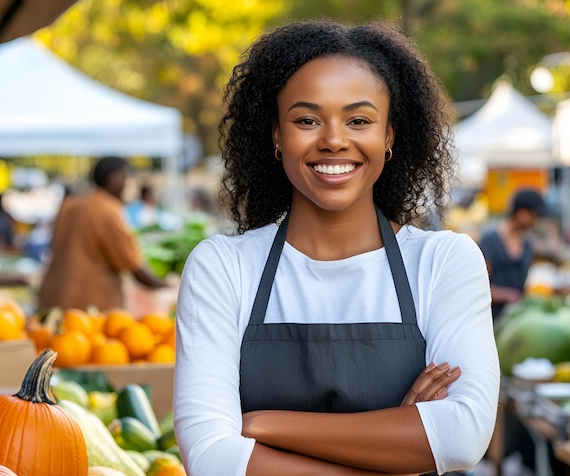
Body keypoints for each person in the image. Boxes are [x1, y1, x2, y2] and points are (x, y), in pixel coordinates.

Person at [172, 20, 499, 475]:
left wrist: (263, 425)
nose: (333, 139)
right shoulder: (222, 268)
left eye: (359, 120)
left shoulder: (443, 262)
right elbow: (211, 460)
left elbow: (463, 436)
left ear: (388, 137)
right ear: (275, 136)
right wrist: (399, 446)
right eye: (306, 120)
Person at [38, 156, 167, 311]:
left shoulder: (69, 205)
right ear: (116, 179)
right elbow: (134, 265)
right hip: (89, 309)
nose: (131, 186)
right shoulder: (109, 211)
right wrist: (165, 284)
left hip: (53, 300)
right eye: (129, 179)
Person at [479, 188, 570, 320]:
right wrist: (511, 296)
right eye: (535, 216)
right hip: (491, 320)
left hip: (516, 319)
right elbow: (479, 288)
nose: (537, 221)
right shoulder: (490, 241)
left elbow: (540, 286)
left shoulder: (526, 244)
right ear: (522, 213)